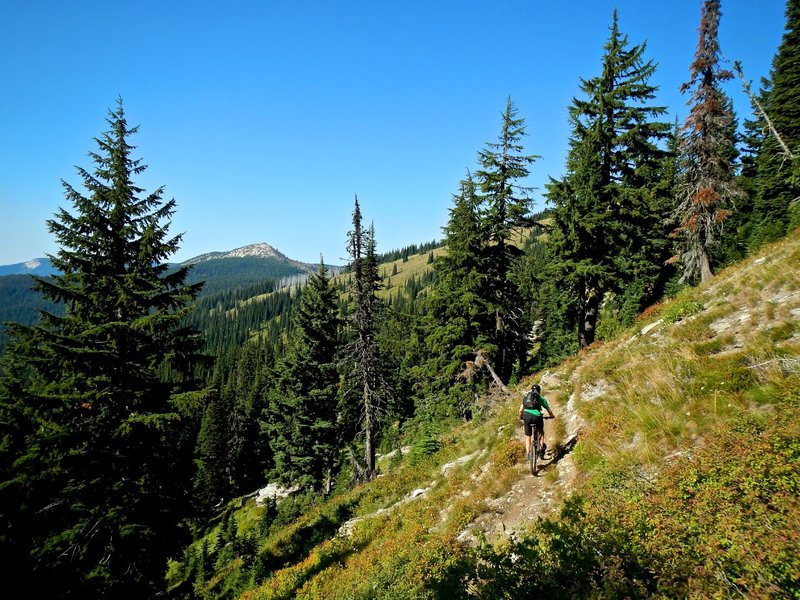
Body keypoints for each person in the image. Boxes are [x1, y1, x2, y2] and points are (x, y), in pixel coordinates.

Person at [518, 384, 555, 459]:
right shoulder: (541, 399)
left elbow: (520, 410)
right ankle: (541, 450)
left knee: (528, 436)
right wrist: (551, 416)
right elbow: (549, 410)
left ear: (531, 390)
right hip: (537, 417)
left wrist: (521, 417)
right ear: (539, 391)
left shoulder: (526, 398)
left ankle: (528, 454)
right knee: (541, 432)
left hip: (526, 416)